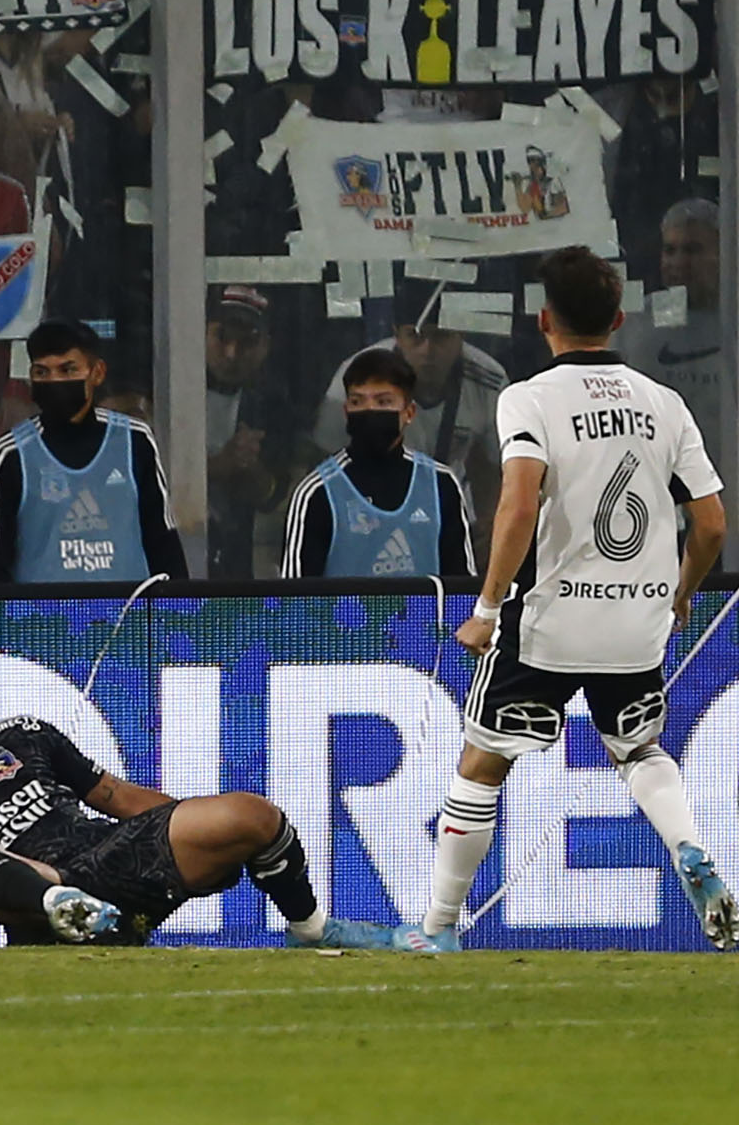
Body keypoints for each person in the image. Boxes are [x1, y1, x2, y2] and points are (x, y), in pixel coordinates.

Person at [423, 248, 737, 953]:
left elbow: (518, 502)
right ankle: (693, 853)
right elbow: (712, 521)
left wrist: (486, 606)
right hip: (636, 620)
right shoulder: (665, 403)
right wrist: (681, 594)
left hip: (550, 622)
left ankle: (438, 930)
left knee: (483, 762)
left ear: (544, 320)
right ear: (619, 319)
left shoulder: (528, 398)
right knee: (639, 748)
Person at [0, 653, 391, 947]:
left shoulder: (20, 735)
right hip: (38, 900)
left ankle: (313, 928)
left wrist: (192, 835)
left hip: (110, 855)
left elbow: (115, 796)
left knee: (252, 816)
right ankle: (69, 912)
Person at [0, 320, 188, 585]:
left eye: (68, 370)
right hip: (43, 622)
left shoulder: (134, 441)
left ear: (97, 373)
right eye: (42, 373)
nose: (54, 381)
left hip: (128, 619)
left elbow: (163, 542)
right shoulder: (7, 456)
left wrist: (178, 614)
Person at [282, 346, 478, 578]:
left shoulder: (441, 485)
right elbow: (295, 601)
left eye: (383, 401)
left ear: (409, 413)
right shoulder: (317, 492)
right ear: (346, 412)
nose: (370, 410)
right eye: (358, 402)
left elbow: (462, 591)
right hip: (344, 616)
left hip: (426, 616)